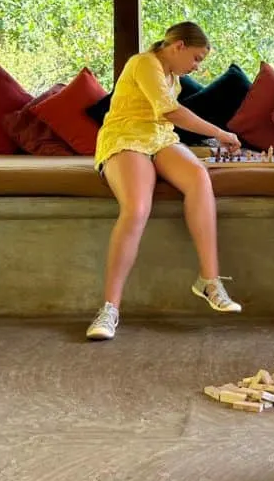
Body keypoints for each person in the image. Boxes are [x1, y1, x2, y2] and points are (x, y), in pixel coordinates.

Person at [86, 22, 243, 341]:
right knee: (137, 207)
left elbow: (165, 122)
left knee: (199, 177)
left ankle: (209, 280)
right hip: (126, 137)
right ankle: (109, 309)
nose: (197, 66)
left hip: (159, 140)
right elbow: (169, 111)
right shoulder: (143, 62)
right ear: (178, 46)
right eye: (197, 58)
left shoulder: (175, 77)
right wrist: (221, 133)